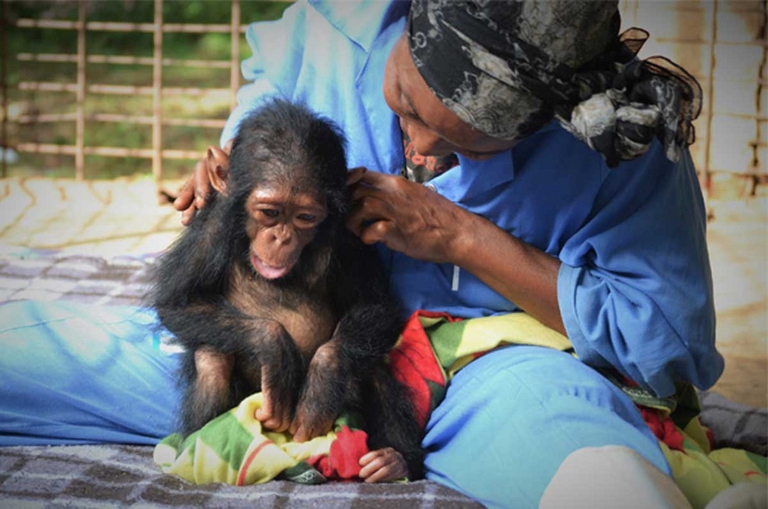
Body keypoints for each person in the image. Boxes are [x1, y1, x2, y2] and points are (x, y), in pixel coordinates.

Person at [0, 1, 725, 507]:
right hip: (269, 349)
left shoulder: (619, 151)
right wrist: (231, 174)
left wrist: (463, 236)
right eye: (404, 102)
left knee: (587, 466)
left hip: (480, 375)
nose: (418, 150)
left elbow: (668, 346)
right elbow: (260, 148)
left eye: (466, 144)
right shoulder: (331, 37)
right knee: (34, 362)